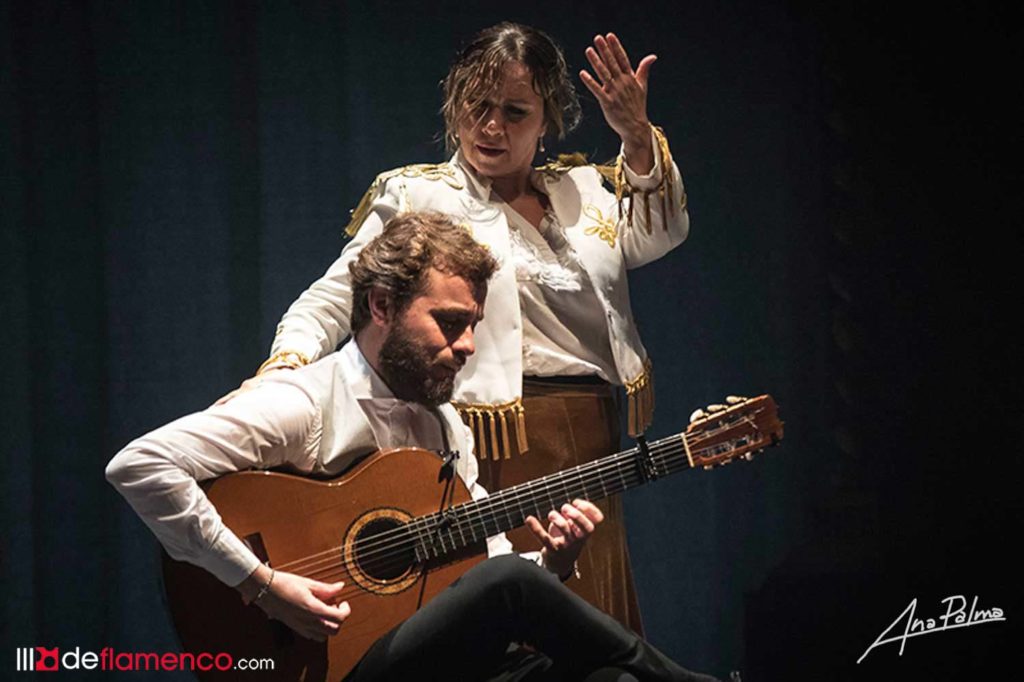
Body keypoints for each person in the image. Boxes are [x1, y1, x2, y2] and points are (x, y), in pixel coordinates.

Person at [107, 213, 717, 681]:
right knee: (508, 582)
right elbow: (139, 465)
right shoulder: (303, 404)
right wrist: (262, 585)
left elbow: (488, 569)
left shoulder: (446, 427)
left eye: (474, 323)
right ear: (381, 306)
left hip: (424, 657)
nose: (470, 345)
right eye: (451, 322)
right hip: (323, 665)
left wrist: (555, 562)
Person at [224, 22, 690, 634]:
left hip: (582, 435)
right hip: (475, 438)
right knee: (488, 622)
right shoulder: (420, 195)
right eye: (477, 106)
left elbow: (660, 234)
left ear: (548, 117)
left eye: (514, 111)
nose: (490, 126)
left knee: (588, 615)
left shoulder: (585, 192)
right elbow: (338, 298)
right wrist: (285, 367)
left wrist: (636, 135)